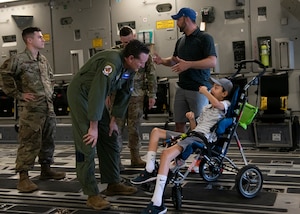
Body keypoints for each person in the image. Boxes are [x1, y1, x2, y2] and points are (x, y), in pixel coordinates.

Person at [67, 39, 150, 211]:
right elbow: (98, 92)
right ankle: (92, 194)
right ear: (130, 58)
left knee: (111, 137)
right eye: (141, 62)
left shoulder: (130, 68)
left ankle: (113, 183)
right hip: (81, 95)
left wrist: (113, 121)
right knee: (88, 141)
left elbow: (124, 94)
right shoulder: (111, 63)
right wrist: (93, 127)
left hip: (95, 98)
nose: (142, 66)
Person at [131, 77, 233, 214]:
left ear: (224, 94)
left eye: (216, 87)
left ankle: (157, 203)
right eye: (212, 86)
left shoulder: (225, 105)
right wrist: (191, 119)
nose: (212, 89)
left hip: (203, 139)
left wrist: (204, 92)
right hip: (193, 135)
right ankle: (149, 170)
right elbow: (194, 128)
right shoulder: (206, 107)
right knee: (155, 132)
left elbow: (218, 105)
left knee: (166, 155)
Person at [0, 27, 66, 193]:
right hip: (31, 110)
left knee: (48, 139)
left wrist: (49, 92)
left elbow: (49, 77)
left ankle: (46, 170)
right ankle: (23, 177)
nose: (43, 39)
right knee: (29, 141)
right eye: (39, 37)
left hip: (47, 107)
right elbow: (4, 75)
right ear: (29, 40)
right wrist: (18, 94)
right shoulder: (18, 60)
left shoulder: (43, 59)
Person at [153, 7, 217, 133]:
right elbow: (174, 60)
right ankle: (180, 151)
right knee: (179, 124)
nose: (177, 23)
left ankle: (201, 151)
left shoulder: (205, 38)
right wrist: (162, 61)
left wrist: (189, 64)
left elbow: (212, 61)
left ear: (186, 19)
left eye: (178, 19)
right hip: (182, 88)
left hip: (199, 90)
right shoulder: (181, 41)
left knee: (200, 126)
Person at [113, 26, 157, 168]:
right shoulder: (115, 52)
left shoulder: (143, 53)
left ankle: (135, 156)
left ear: (134, 36)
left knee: (135, 128)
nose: (127, 45)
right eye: (124, 42)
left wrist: (152, 94)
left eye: (129, 41)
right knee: (116, 128)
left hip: (136, 95)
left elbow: (151, 74)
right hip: (118, 96)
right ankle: (116, 159)